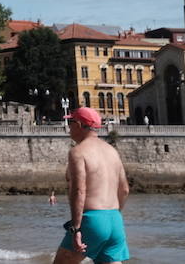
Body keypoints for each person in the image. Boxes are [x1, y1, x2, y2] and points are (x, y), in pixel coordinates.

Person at [54, 107, 130, 264]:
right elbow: (124, 189)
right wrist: (113, 216)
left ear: (79, 124)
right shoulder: (112, 151)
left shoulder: (78, 152)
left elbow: (79, 191)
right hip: (115, 220)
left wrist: (75, 228)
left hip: (91, 220)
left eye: (70, 122)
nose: (68, 127)